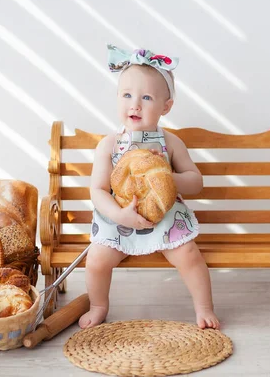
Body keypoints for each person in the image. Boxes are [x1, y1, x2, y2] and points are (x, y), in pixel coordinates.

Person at [79, 44, 219, 330]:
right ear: (118, 98)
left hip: (164, 215)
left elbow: (196, 182)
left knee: (189, 255)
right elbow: (98, 190)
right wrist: (119, 216)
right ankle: (98, 305)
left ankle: (204, 307)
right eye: (127, 95)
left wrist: (168, 177)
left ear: (166, 106)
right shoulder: (109, 145)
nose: (135, 104)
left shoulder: (170, 143)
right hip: (121, 217)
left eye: (146, 97)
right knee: (95, 260)